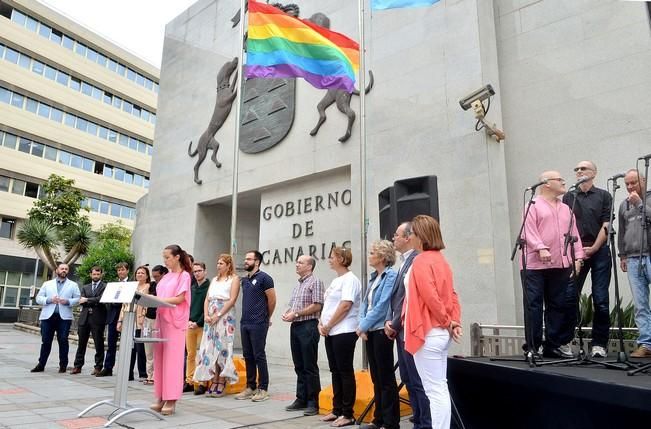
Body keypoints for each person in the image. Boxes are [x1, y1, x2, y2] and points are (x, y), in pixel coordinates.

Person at [403, 215, 462, 429]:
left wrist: (448, 321)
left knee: (434, 391)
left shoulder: (421, 261)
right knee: (439, 388)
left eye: (412, 233)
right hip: (439, 332)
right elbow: (452, 295)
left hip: (428, 332)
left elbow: (431, 297)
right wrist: (454, 322)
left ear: (420, 236)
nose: (410, 237)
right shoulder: (441, 260)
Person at [521, 172, 584, 358]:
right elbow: (528, 230)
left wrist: (578, 257)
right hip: (534, 266)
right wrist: (540, 247)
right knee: (534, 305)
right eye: (559, 179)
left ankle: (553, 345)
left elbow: (575, 234)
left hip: (560, 264)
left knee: (557, 304)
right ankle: (532, 347)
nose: (564, 181)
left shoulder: (566, 208)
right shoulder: (532, 205)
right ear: (546, 183)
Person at [561, 161, 612, 358]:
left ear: (594, 173)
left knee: (600, 299)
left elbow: (606, 224)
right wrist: (578, 252)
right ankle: (565, 340)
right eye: (576, 169)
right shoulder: (569, 196)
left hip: (598, 250)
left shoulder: (604, 196)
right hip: (576, 251)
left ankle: (599, 344)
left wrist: (595, 247)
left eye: (583, 169)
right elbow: (565, 226)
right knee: (570, 295)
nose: (579, 171)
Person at [384, 222, 430, 429]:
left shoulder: (417, 260)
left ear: (408, 237)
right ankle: (417, 419)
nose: (393, 238)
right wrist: (390, 321)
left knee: (417, 380)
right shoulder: (403, 262)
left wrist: (393, 323)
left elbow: (407, 299)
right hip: (400, 329)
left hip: (409, 328)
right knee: (407, 377)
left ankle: (424, 423)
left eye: (397, 235)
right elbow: (396, 297)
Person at [357, 240, 399, 429]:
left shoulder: (391, 275)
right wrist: (363, 325)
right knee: (376, 378)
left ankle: (390, 423)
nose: (370, 255)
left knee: (386, 379)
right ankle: (378, 419)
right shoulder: (374, 277)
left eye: (373, 252)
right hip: (370, 332)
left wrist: (363, 326)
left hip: (381, 331)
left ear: (382, 257)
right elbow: (365, 304)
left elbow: (382, 306)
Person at [318, 246, 361, 428]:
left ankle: (347, 413)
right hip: (331, 332)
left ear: (342, 259)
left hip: (344, 331)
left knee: (344, 371)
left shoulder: (350, 280)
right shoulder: (336, 280)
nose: (329, 259)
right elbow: (328, 305)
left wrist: (328, 325)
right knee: (335, 371)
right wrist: (321, 323)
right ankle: (336, 409)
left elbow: (345, 306)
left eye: (332, 257)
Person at [150, 245, 192, 416]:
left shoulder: (185, 275)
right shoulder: (166, 277)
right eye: (164, 257)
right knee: (160, 358)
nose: (164, 260)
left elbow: (181, 298)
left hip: (175, 322)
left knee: (172, 360)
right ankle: (160, 395)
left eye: (167, 257)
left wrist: (160, 300)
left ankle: (171, 399)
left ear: (176, 257)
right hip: (161, 320)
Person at [282, 255, 324, 416]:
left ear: (310, 266)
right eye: (297, 261)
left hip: (308, 326)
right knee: (299, 365)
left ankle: (313, 401)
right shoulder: (298, 285)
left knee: (309, 365)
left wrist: (296, 313)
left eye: (300, 262)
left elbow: (317, 305)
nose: (297, 264)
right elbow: (293, 306)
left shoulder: (315, 282)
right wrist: (288, 314)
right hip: (296, 326)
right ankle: (301, 398)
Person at [194, 254, 241, 397]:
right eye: (217, 263)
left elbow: (232, 300)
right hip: (211, 316)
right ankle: (214, 379)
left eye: (221, 263)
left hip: (225, 316)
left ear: (228, 265)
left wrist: (218, 315)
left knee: (223, 348)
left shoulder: (234, 279)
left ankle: (222, 380)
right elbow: (207, 299)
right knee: (211, 347)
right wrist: (207, 315)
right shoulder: (214, 280)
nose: (218, 265)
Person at [235, 250, 276, 402]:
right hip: (245, 322)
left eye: (249, 259)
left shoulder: (265, 278)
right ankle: (250, 387)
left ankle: (263, 389)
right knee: (248, 356)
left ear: (257, 262)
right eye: (245, 258)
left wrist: (267, 317)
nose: (245, 261)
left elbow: (272, 300)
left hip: (259, 323)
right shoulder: (244, 280)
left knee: (259, 355)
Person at [618, 169, 651, 357]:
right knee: (640, 305)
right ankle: (646, 344)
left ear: (643, 180)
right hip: (632, 259)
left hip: (650, 254)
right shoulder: (624, 205)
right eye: (627, 184)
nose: (630, 187)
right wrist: (622, 255)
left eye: (633, 183)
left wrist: (639, 204)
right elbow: (621, 232)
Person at [31, 263, 80, 373]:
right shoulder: (47, 284)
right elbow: (38, 298)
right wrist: (49, 300)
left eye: (66, 269)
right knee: (46, 341)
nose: (64, 270)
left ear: (68, 271)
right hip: (48, 317)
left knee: (63, 340)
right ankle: (41, 364)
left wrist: (67, 301)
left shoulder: (73, 285)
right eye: (62, 268)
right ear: (57, 270)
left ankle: (63, 365)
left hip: (64, 318)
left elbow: (77, 299)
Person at [71, 266, 107, 375]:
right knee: (81, 344)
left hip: (98, 319)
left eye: (98, 274)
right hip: (84, 318)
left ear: (101, 274)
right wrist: (91, 300)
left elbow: (101, 299)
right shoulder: (85, 287)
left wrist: (87, 300)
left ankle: (98, 366)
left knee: (98, 344)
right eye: (94, 274)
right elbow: (81, 301)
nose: (96, 276)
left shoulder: (105, 286)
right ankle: (77, 366)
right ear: (90, 275)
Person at [117, 265, 150, 381]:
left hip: (140, 320)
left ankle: (142, 373)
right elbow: (124, 305)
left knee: (140, 348)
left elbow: (147, 304)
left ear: (146, 276)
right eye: (138, 273)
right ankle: (128, 373)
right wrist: (120, 320)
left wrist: (143, 316)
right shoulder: (130, 287)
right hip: (128, 319)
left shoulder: (148, 287)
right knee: (128, 348)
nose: (139, 275)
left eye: (142, 273)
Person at [98, 261, 130, 377]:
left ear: (127, 271)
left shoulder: (132, 283)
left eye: (122, 269)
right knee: (111, 343)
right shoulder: (113, 285)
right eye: (119, 270)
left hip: (126, 316)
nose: (120, 272)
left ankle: (127, 370)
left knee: (127, 344)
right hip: (113, 316)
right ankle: (108, 368)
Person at [183, 261, 210, 394]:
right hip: (189, 325)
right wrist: (188, 321)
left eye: (199, 271)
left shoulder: (209, 287)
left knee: (202, 355)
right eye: (195, 271)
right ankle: (189, 381)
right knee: (190, 355)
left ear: (205, 271)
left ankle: (201, 382)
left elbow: (208, 308)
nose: (197, 273)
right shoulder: (192, 288)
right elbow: (187, 306)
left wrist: (198, 322)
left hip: (202, 325)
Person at [143, 265, 167, 385]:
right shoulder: (152, 285)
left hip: (160, 319)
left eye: (157, 277)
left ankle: (158, 374)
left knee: (159, 348)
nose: (156, 279)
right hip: (149, 318)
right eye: (154, 277)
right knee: (148, 348)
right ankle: (149, 374)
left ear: (164, 274)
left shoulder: (167, 285)